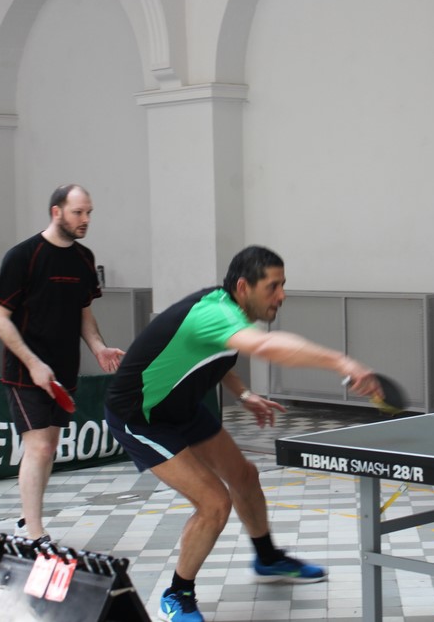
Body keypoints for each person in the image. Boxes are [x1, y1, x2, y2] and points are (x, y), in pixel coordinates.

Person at [104, 245, 382, 622]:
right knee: (214, 502)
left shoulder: (227, 311)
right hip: (140, 416)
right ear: (242, 287)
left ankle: (267, 558)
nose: (282, 295)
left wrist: (244, 394)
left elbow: (214, 357)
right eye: (273, 287)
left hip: (182, 408)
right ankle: (177, 595)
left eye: (283, 285)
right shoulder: (214, 313)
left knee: (245, 476)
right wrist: (342, 361)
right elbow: (266, 346)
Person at [0, 184, 125, 543]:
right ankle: (34, 533)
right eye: (78, 212)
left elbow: (84, 313)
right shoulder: (23, 256)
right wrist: (33, 363)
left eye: (89, 212)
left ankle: (26, 521)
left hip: (63, 371)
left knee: (48, 448)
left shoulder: (83, 258)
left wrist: (98, 347)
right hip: (26, 371)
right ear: (56, 212)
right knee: (40, 447)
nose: (86, 219)